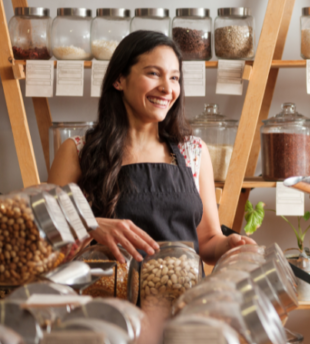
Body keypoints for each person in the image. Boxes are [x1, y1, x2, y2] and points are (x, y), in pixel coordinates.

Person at [48, 31, 254, 265]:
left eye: (175, 78)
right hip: (108, 298)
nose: (168, 88)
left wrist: (229, 245)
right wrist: (88, 224)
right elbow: (47, 240)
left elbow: (207, 241)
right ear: (119, 80)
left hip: (183, 298)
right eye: (154, 74)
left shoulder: (193, 152)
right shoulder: (77, 151)